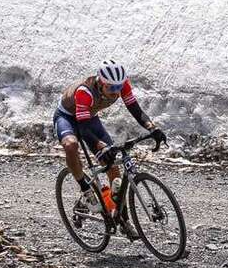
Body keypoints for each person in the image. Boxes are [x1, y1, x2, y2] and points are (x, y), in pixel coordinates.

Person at [52, 60, 167, 228]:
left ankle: (122, 217)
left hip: (88, 117)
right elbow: (83, 130)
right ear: (100, 82)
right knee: (71, 146)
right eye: (111, 88)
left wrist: (152, 128)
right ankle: (85, 188)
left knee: (112, 166)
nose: (116, 92)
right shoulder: (85, 92)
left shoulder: (121, 85)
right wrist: (100, 146)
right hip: (67, 117)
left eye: (119, 88)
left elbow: (135, 108)